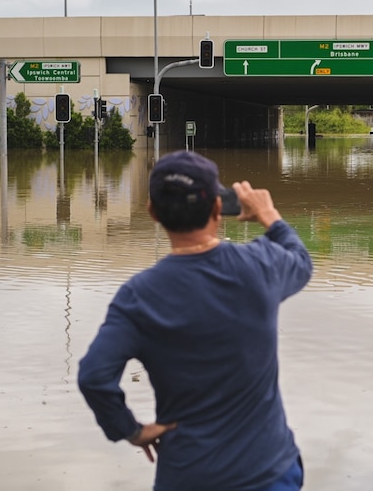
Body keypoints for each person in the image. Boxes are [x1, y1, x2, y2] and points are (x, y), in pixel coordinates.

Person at [78, 150, 313, 491]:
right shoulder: (260, 265)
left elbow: (94, 376)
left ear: (152, 212)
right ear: (218, 208)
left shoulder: (138, 296)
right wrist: (269, 216)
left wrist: (130, 430)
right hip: (268, 472)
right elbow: (301, 261)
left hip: (188, 475)